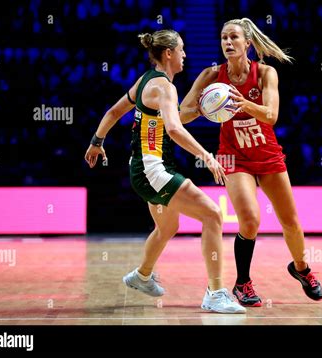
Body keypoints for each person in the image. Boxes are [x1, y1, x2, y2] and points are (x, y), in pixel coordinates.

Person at [84, 29, 245, 314]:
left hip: (143, 168)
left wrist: (97, 141)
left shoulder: (146, 81)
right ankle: (216, 292)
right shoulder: (164, 87)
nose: (185, 54)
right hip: (153, 171)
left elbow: (113, 112)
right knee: (212, 215)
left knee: (168, 227)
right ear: (168, 53)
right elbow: (173, 128)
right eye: (181, 49)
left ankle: (142, 275)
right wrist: (207, 156)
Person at [180, 18, 322, 306]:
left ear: (247, 43)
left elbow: (271, 115)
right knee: (250, 220)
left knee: (291, 223)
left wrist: (241, 102)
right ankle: (242, 284)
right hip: (234, 157)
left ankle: (301, 269)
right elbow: (182, 114)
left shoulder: (265, 73)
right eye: (223, 38)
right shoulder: (211, 76)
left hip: (267, 154)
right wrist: (205, 108)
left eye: (233, 37)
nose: (228, 43)